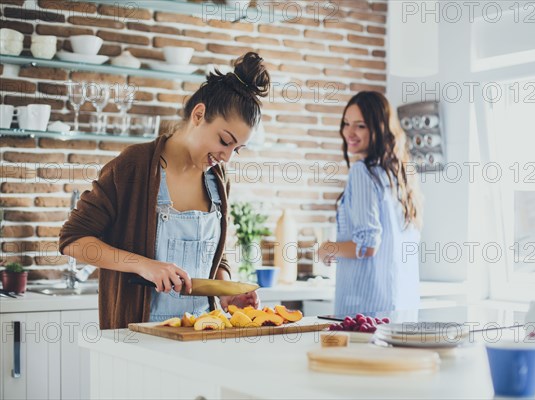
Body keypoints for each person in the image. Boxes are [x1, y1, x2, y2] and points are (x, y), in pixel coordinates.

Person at [59, 52, 270, 329]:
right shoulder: (133, 167)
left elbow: (213, 255)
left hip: (201, 332)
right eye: (224, 141)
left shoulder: (217, 180)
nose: (227, 157)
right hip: (138, 335)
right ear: (198, 115)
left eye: (236, 149)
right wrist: (143, 264)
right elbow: (72, 240)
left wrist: (226, 292)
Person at [318, 91, 423, 316]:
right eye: (346, 124)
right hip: (399, 306)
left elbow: (368, 244)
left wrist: (329, 248)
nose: (349, 132)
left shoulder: (362, 172)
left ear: (379, 128)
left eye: (360, 126)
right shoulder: (400, 175)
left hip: (365, 309)